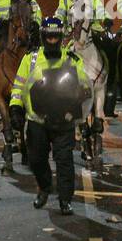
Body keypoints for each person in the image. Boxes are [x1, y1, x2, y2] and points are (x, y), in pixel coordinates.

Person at [10, 17, 89, 214]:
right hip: (38, 118)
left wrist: (83, 111)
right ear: (43, 37)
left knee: (64, 161)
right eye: (49, 37)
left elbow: (83, 87)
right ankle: (44, 188)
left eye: (55, 37)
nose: (52, 41)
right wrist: (15, 107)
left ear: (60, 37)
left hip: (64, 119)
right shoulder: (31, 59)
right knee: (36, 159)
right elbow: (19, 85)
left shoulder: (71, 59)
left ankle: (65, 200)